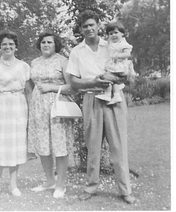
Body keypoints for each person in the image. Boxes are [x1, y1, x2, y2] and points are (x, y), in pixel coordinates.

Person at [66, 10, 135, 204]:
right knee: (93, 147)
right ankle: (91, 186)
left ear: (98, 26)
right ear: (81, 29)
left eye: (92, 24)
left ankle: (125, 190)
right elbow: (73, 82)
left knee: (119, 147)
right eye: (85, 26)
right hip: (91, 99)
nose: (89, 28)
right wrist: (91, 82)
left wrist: (113, 78)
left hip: (115, 99)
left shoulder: (111, 45)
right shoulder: (76, 51)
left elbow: (125, 73)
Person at [0, 31, 32, 200]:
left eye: (11, 44)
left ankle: (13, 185)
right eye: (4, 44)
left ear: (16, 47)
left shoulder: (24, 66)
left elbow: (29, 92)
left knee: (14, 148)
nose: (8, 47)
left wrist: (31, 114)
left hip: (18, 108)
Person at [28, 32, 74, 199]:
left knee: (60, 145)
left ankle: (61, 184)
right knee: (43, 144)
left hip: (57, 106)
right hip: (38, 107)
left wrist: (51, 88)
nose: (46, 45)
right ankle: (49, 180)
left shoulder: (63, 61)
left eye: (49, 42)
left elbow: (72, 86)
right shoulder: (34, 62)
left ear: (56, 45)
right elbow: (31, 86)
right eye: (43, 42)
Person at [96, 21, 136, 105]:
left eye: (116, 32)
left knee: (108, 77)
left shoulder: (123, 43)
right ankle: (115, 96)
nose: (113, 35)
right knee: (112, 80)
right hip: (114, 65)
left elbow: (128, 54)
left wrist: (118, 55)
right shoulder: (111, 43)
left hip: (120, 66)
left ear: (122, 33)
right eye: (111, 34)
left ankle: (108, 94)